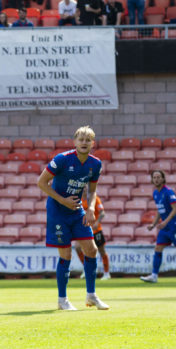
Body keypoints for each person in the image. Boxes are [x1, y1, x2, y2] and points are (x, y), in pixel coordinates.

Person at [37, 126, 109, 311]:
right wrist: (63, 200)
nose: (84, 143)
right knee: (66, 254)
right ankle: (62, 300)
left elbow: (92, 190)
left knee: (91, 249)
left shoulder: (95, 164)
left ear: (93, 143)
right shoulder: (61, 159)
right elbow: (41, 182)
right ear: (74, 142)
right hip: (57, 211)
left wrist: (91, 208)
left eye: (88, 140)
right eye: (81, 139)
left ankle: (91, 296)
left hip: (77, 210)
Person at [140, 170, 176, 284]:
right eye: (154, 177)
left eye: (158, 177)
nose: (156, 179)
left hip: (174, 225)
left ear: (163, 179)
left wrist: (165, 222)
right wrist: (153, 223)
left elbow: (175, 209)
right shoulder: (155, 193)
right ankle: (154, 275)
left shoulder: (168, 192)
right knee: (158, 248)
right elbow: (160, 210)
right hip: (165, 226)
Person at [76, 190, 110, 280]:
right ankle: (87, 269)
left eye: (86, 187)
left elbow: (102, 213)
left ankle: (106, 273)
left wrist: (97, 222)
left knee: (101, 250)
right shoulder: (78, 200)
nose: (84, 189)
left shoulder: (95, 199)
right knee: (77, 248)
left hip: (95, 230)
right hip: (83, 230)